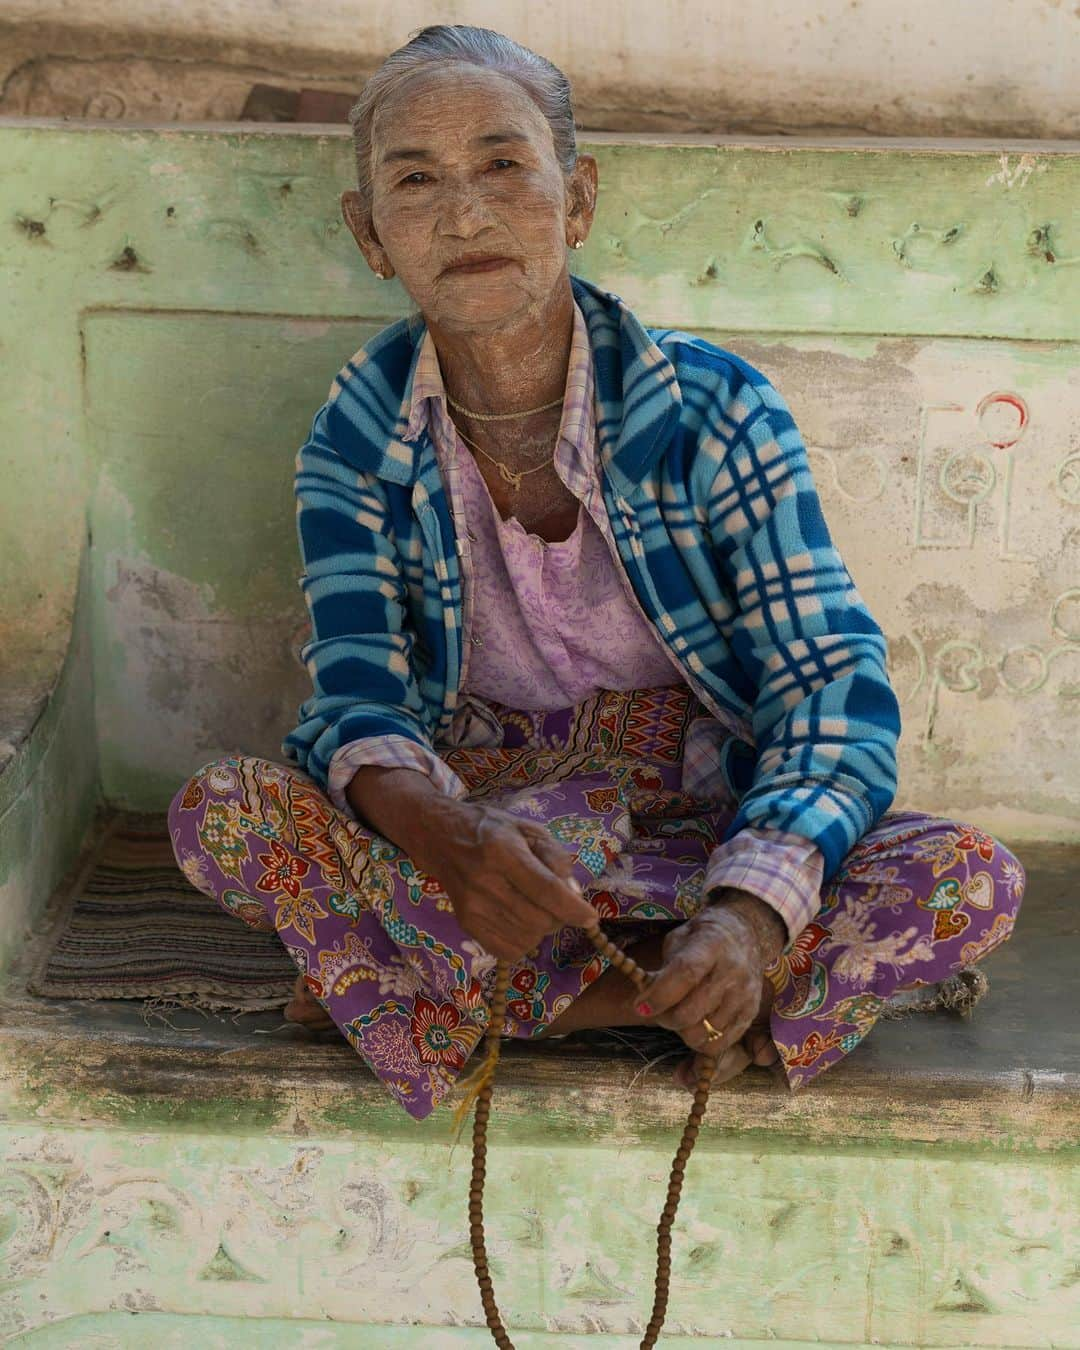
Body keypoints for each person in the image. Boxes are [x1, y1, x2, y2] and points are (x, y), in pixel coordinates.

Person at [169, 24, 1026, 1121]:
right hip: (488, 836)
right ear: (370, 233)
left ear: (576, 201)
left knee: (967, 878)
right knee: (225, 813)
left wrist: (751, 915)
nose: (464, 214)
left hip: (697, 825)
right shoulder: (356, 435)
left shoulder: (716, 412)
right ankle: (661, 1006)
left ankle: (436, 996)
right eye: (415, 180)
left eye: (503, 165)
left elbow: (829, 690)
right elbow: (356, 702)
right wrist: (453, 841)